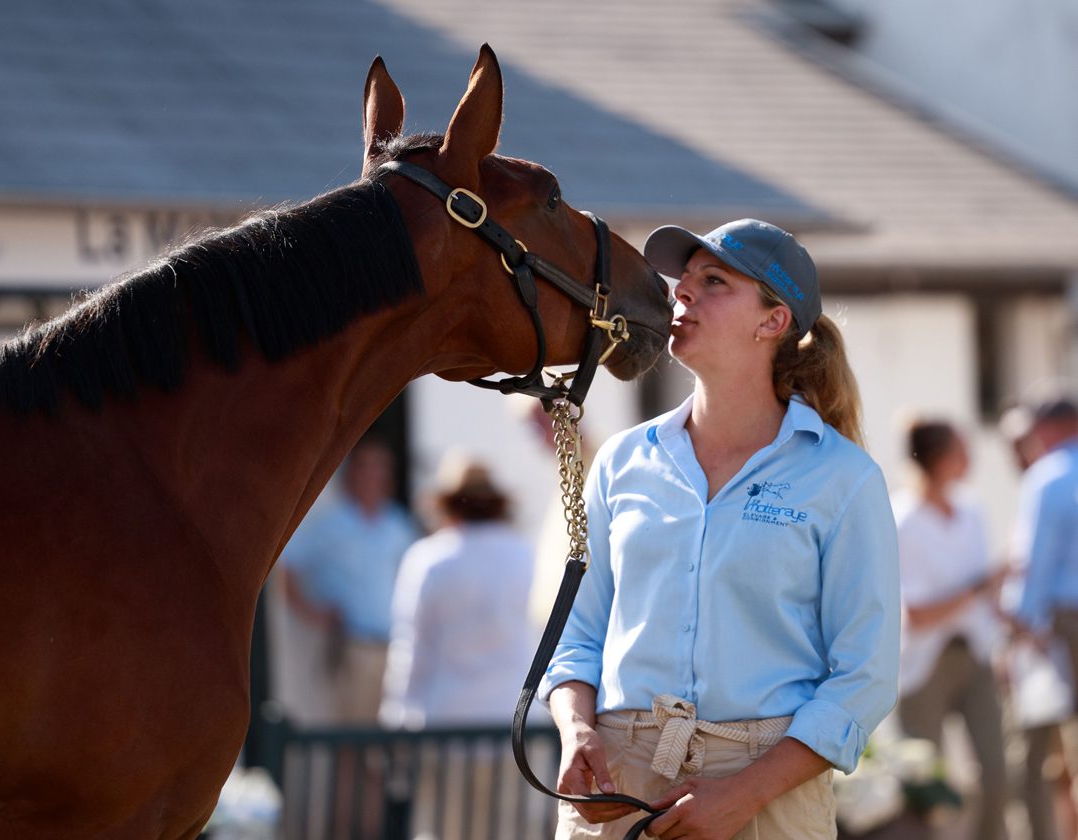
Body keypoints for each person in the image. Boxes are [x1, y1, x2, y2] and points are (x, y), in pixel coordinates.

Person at [541, 218, 900, 840]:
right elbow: (577, 637)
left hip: (768, 789)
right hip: (616, 780)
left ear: (773, 321)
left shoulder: (844, 479)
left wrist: (743, 795)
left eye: (713, 282)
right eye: (684, 281)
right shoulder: (622, 462)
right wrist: (577, 729)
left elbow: (863, 680)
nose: (681, 293)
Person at [893, 419, 1008, 840]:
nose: (969, 460)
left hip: (975, 655)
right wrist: (978, 587)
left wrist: (1005, 639)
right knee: (925, 783)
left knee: (997, 772)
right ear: (939, 458)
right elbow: (918, 613)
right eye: (961, 450)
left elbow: (985, 596)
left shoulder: (972, 510)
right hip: (924, 665)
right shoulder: (903, 519)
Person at [380, 453, 536, 728]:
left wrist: (396, 714)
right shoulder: (525, 555)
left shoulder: (427, 558)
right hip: (515, 720)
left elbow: (411, 645)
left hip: (446, 721)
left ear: (446, 505)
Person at [280, 436, 418, 724]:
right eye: (365, 467)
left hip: (394, 648)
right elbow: (287, 564)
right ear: (351, 474)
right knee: (351, 735)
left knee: (390, 733)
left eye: (379, 468)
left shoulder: (397, 524)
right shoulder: (330, 523)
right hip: (352, 644)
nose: (373, 476)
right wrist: (311, 612)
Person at [1012, 398, 1078, 840]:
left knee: (1067, 743)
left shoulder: (1048, 475)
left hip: (1065, 618)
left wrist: (1023, 625)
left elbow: (1033, 561)